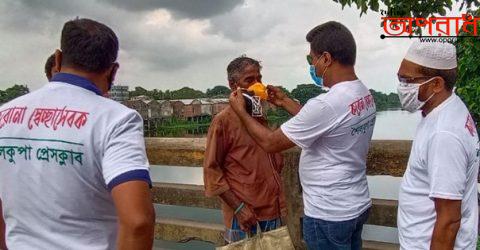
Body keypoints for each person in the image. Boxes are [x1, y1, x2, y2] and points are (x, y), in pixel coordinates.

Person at [0, 18, 155, 249]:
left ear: (59, 58)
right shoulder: (117, 119)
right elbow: (137, 222)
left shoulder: (4, 114)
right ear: (113, 72)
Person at [228, 21, 376, 249]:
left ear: (326, 59)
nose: (313, 66)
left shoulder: (327, 104)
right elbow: (326, 123)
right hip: (355, 205)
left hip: (328, 214)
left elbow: (270, 142)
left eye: (312, 59)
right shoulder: (362, 92)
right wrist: (284, 101)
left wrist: (241, 112)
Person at [396, 40, 479, 249]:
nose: (401, 86)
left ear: (437, 84)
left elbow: (449, 221)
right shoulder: (446, 108)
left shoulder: (445, 134)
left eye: (407, 80)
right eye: (400, 78)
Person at [203, 56, 287, 243]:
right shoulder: (223, 121)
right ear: (233, 85)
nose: (257, 85)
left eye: (259, 79)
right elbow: (211, 171)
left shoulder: (259, 114)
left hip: (273, 210)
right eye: (249, 80)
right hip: (245, 216)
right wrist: (239, 209)